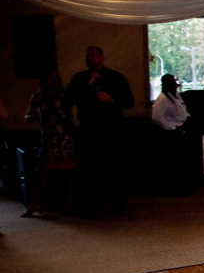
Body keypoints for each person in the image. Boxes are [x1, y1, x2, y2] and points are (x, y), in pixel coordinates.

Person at [65, 45, 135, 217]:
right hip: (88, 130)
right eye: (87, 56)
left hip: (111, 130)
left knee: (115, 169)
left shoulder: (115, 77)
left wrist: (112, 99)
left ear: (102, 57)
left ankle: (117, 208)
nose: (89, 58)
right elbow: (67, 99)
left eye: (93, 55)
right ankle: (90, 207)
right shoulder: (79, 78)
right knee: (89, 171)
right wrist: (88, 86)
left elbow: (129, 102)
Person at [22, 71, 77, 216]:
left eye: (56, 77)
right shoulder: (37, 97)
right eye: (51, 77)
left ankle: (69, 203)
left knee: (70, 170)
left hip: (65, 137)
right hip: (47, 138)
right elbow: (28, 116)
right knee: (42, 171)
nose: (54, 80)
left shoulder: (65, 96)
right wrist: (32, 116)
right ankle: (35, 203)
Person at [151, 74, 191, 197]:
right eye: (172, 83)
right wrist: (171, 126)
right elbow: (156, 117)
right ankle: (171, 189)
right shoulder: (162, 99)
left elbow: (182, 110)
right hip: (170, 133)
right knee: (172, 162)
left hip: (180, 129)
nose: (175, 85)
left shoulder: (176, 95)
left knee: (180, 161)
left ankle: (181, 186)